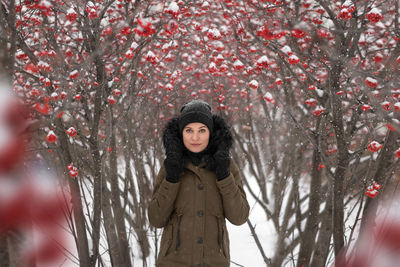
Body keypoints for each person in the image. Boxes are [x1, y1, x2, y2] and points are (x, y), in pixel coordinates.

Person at [148, 100, 250, 267]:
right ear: (181, 133)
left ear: (210, 132)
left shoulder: (225, 165)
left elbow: (239, 217)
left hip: (214, 262)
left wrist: (224, 175)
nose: (195, 137)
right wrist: (172, 178)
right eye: (189, 130)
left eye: (202, 130)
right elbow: (156, 219)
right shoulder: (171, 165)